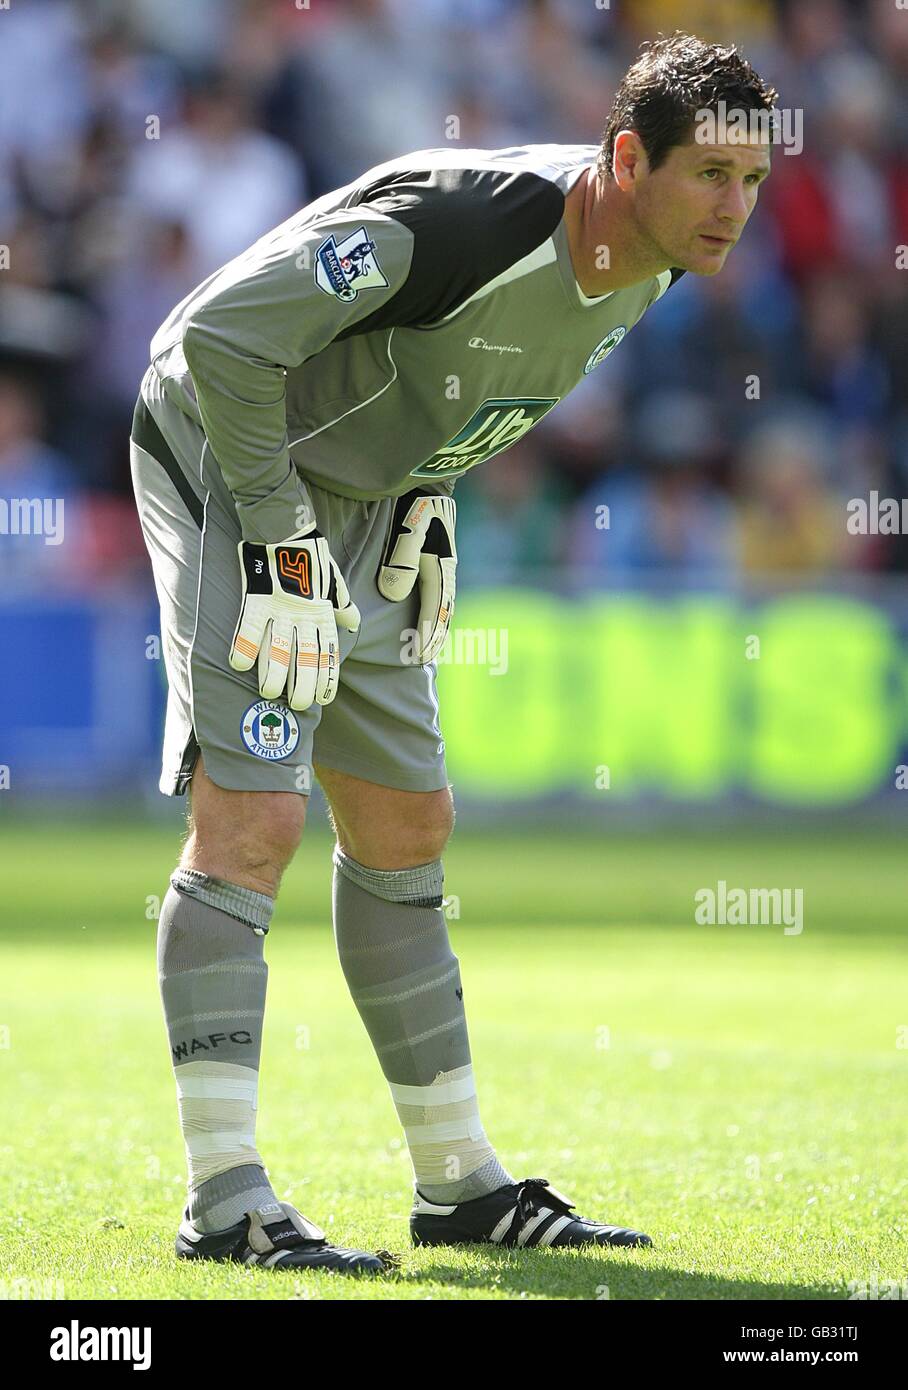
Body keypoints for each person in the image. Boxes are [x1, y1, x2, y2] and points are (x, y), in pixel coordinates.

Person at [130, 30, 775, 1274]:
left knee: (407, 825)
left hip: (363, 499)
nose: (733, 210)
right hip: (234, 463)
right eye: (709, 175)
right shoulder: (457, 222)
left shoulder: (655, 258)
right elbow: (215, 343)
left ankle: (457, 1185)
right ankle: (224, 1197)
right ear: (626, 157)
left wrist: (431, 492)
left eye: (751, 183)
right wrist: (279, 538)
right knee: (252, 826)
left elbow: (461, 383)